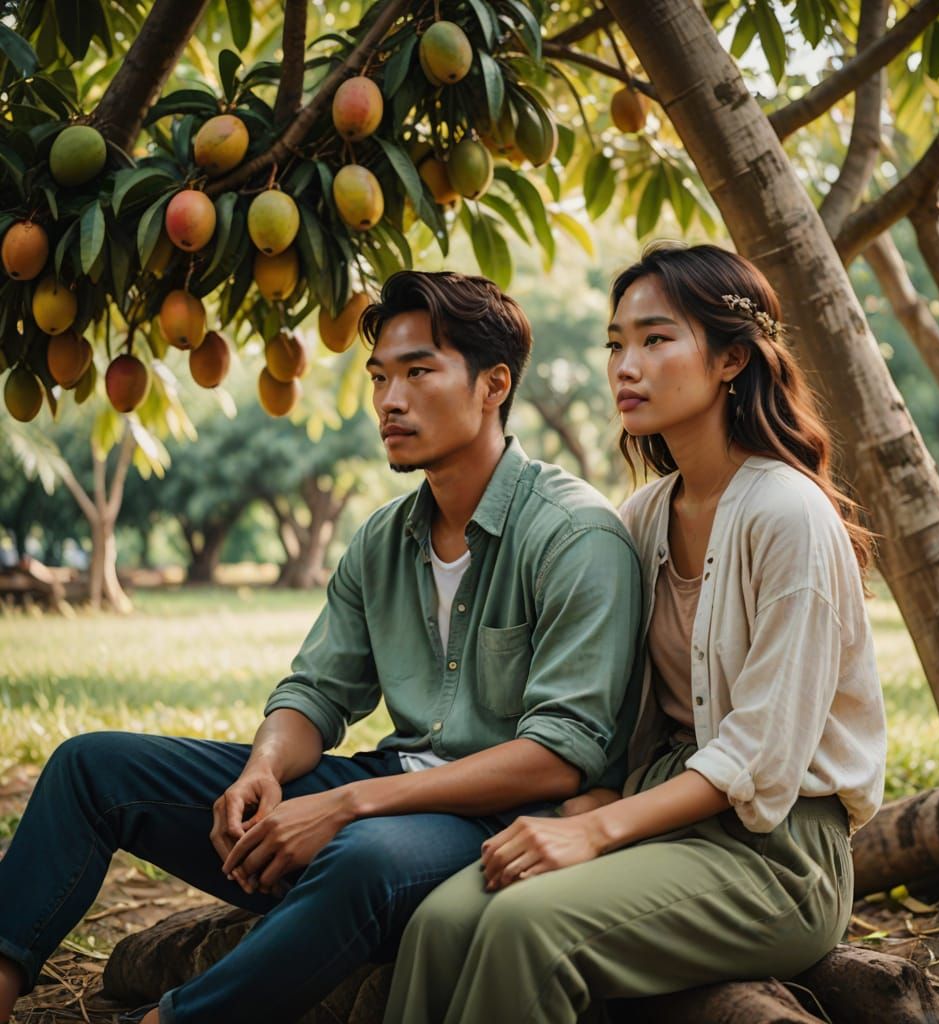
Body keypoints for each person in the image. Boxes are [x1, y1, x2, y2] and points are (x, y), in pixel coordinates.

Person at [0, 271, 643, 1024]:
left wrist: (344, 806)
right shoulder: (382, 540)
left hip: (506, 823)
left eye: (418, 372)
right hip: (387, 796)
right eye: (379, 378)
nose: (390, 401)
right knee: (92, 767)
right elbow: (316, 692)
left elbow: (559, 755)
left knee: (360, 857)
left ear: (493, 384)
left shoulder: (574, 534)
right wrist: (263, 772)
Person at [383, 242, 888, 1024]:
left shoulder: (789, 515)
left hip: (775, 856)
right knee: (444, 922)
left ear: (730, 359)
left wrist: (599, 831)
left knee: (528, 928)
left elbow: (759, 756)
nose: (626, 364)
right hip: (658, 810)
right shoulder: (643, 517)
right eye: (616, 343)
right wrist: (598, 801)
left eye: (656, 339)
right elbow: (624, 709)